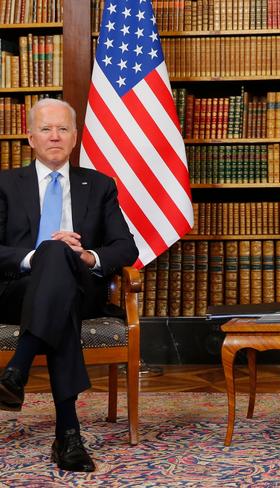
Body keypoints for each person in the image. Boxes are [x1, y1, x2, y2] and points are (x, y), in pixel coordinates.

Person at [0, 98, 138, 472]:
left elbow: (126, 247)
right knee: (52, 256)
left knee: (62, 262)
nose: (55, 136)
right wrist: (38, 256)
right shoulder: (6, 184)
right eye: (46, 129)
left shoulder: (99, 185)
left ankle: (18, 368)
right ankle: (68, 435)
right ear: (30, 137)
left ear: (75, 137)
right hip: (18, 290)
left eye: (63, 129)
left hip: (81, 290)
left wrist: (88, 256)